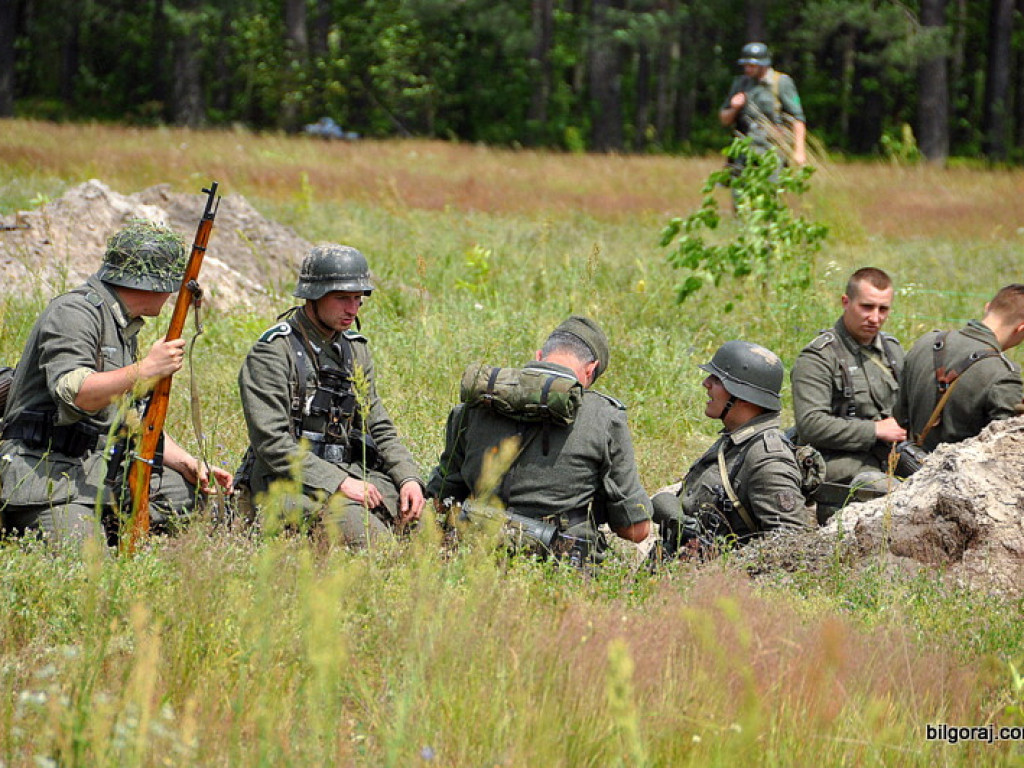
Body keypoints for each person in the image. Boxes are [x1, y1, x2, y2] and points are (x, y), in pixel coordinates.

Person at [0, 220, 232, 545]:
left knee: (203, 505)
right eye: (171, 283)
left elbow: (132, 418)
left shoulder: (121, 323)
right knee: (86, 570)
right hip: (50, 474)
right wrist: (145, 370)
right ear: (151, 282)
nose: (172, 294)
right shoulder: (74, 313)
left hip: (102, 468)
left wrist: (188, 463)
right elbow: (76, 394)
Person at [236, 244, 425, 546]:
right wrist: (339, 483)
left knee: (426, 528)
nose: (352, 309)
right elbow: (272, 444)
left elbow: (378, 424)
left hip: (347, 472)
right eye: (341, 299)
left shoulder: (354, 348)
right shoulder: (273, 352)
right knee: (375, 545)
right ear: (313, 295)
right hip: (289, 482)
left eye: (358, 299)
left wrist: (408, 479)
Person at [426, 316, 652, 561]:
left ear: (539, 355)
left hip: (473, 558)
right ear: (590, 369)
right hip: (559, 567)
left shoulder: (477, 404)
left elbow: (440, 502)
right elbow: (634, 530)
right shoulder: (606, 418)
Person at [651, 341, 811, 556]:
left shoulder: (767, 459)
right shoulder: (735, 441)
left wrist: (726, 566)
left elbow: (790, 546)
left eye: (717, 380)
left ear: (744, 396)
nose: (706, 383)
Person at [790, 268, 905, 513]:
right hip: (838, 463)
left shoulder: (893, 352)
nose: (875, 318)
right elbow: (810, 424)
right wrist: (875, 430)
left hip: (889, 457)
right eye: (867, 307)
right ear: (846, 302)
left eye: (883, 309)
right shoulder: (819, 357)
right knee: (893, 494)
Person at [895, 284, 1024, 451]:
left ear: (987, 308)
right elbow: (1006, 450)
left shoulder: (926, 342)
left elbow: (900, 416)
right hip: (959, 474)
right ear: (1021, 328)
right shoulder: (1004, 374)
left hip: (908, 469)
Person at [719, 41, 807, 167]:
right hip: (743, 153)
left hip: (772, 152)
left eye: (752, 66)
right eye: (745, 65)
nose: (747, 69)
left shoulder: (781, 83)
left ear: (764, 65)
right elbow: (724, 120)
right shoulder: (740, 83)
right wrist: (734, 108)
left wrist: (799, 151)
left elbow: (798, 119)